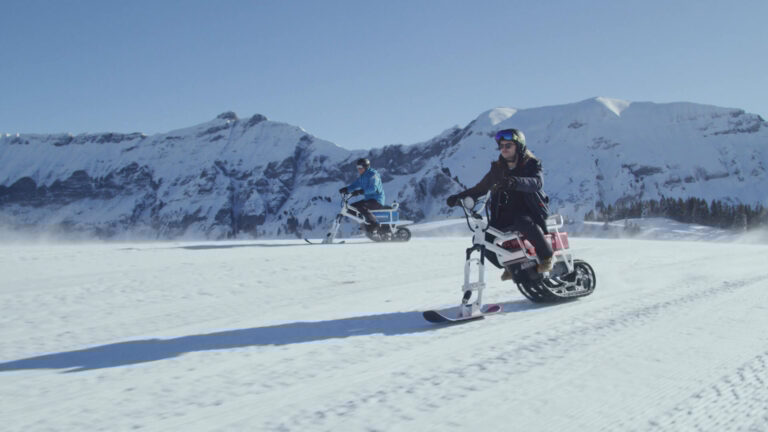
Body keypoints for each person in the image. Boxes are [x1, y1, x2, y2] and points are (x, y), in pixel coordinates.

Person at [446, 128, 554, 278]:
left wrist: (514, 182)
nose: (503, 149)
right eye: (501, 146)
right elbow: (481, 188)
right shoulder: (498, 169)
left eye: (508, 145)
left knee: (522, 221)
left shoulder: (531, 164)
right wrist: (459, 197)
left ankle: (547, 256)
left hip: (529, 210)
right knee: (482, 236)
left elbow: (536, 183)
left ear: (518, 146)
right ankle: (509, 265)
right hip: (504, 214)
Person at [339, 158, 386, 233]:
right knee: (351, 208)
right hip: (368, 200)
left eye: (360, 168)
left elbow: (373, 188)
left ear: (366, 167)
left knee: (361, 206)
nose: (359, 170)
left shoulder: (373, 175)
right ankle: (366, 224)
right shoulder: (362, 177)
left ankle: (374, 224)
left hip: (377, 200)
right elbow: (354, 185)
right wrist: (346, 189)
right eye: (358, 168)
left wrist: (360, 191)